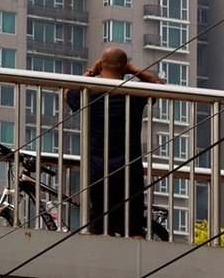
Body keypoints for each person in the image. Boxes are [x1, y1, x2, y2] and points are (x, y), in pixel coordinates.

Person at [64, 47, 164, 237]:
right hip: (130, 170)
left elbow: (68, 93)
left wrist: (91, 72)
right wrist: (133, 70)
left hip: (98, 169)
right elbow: (159, 84)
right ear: (124, 67)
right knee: (134, 228)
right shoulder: (135, 93)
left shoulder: (90, 91)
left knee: (102, 229)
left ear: (101, 65)